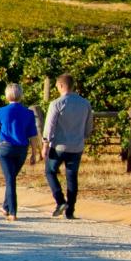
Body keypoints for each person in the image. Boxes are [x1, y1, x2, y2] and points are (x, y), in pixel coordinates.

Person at [0, 83, 39, 220]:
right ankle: (5, 206)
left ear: (6, 95)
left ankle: (12, 211)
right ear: (21, 95)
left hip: (5, 148)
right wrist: (34, 153)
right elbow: (33, 135)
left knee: (10, 180)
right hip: (22, 150)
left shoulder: (1, 111)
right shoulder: (28, 113)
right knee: (11, 178)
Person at [42, 73, 94, 219]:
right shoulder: (85, 103)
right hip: (76, 146)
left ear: (61, 85)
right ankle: (70, 210)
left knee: (50, 171)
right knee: (72, 177)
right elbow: (89, 125)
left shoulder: (57, 103)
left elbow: (50, 125)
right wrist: (83, 136)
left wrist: (45, 144)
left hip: (59, 146)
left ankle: (60, 200)